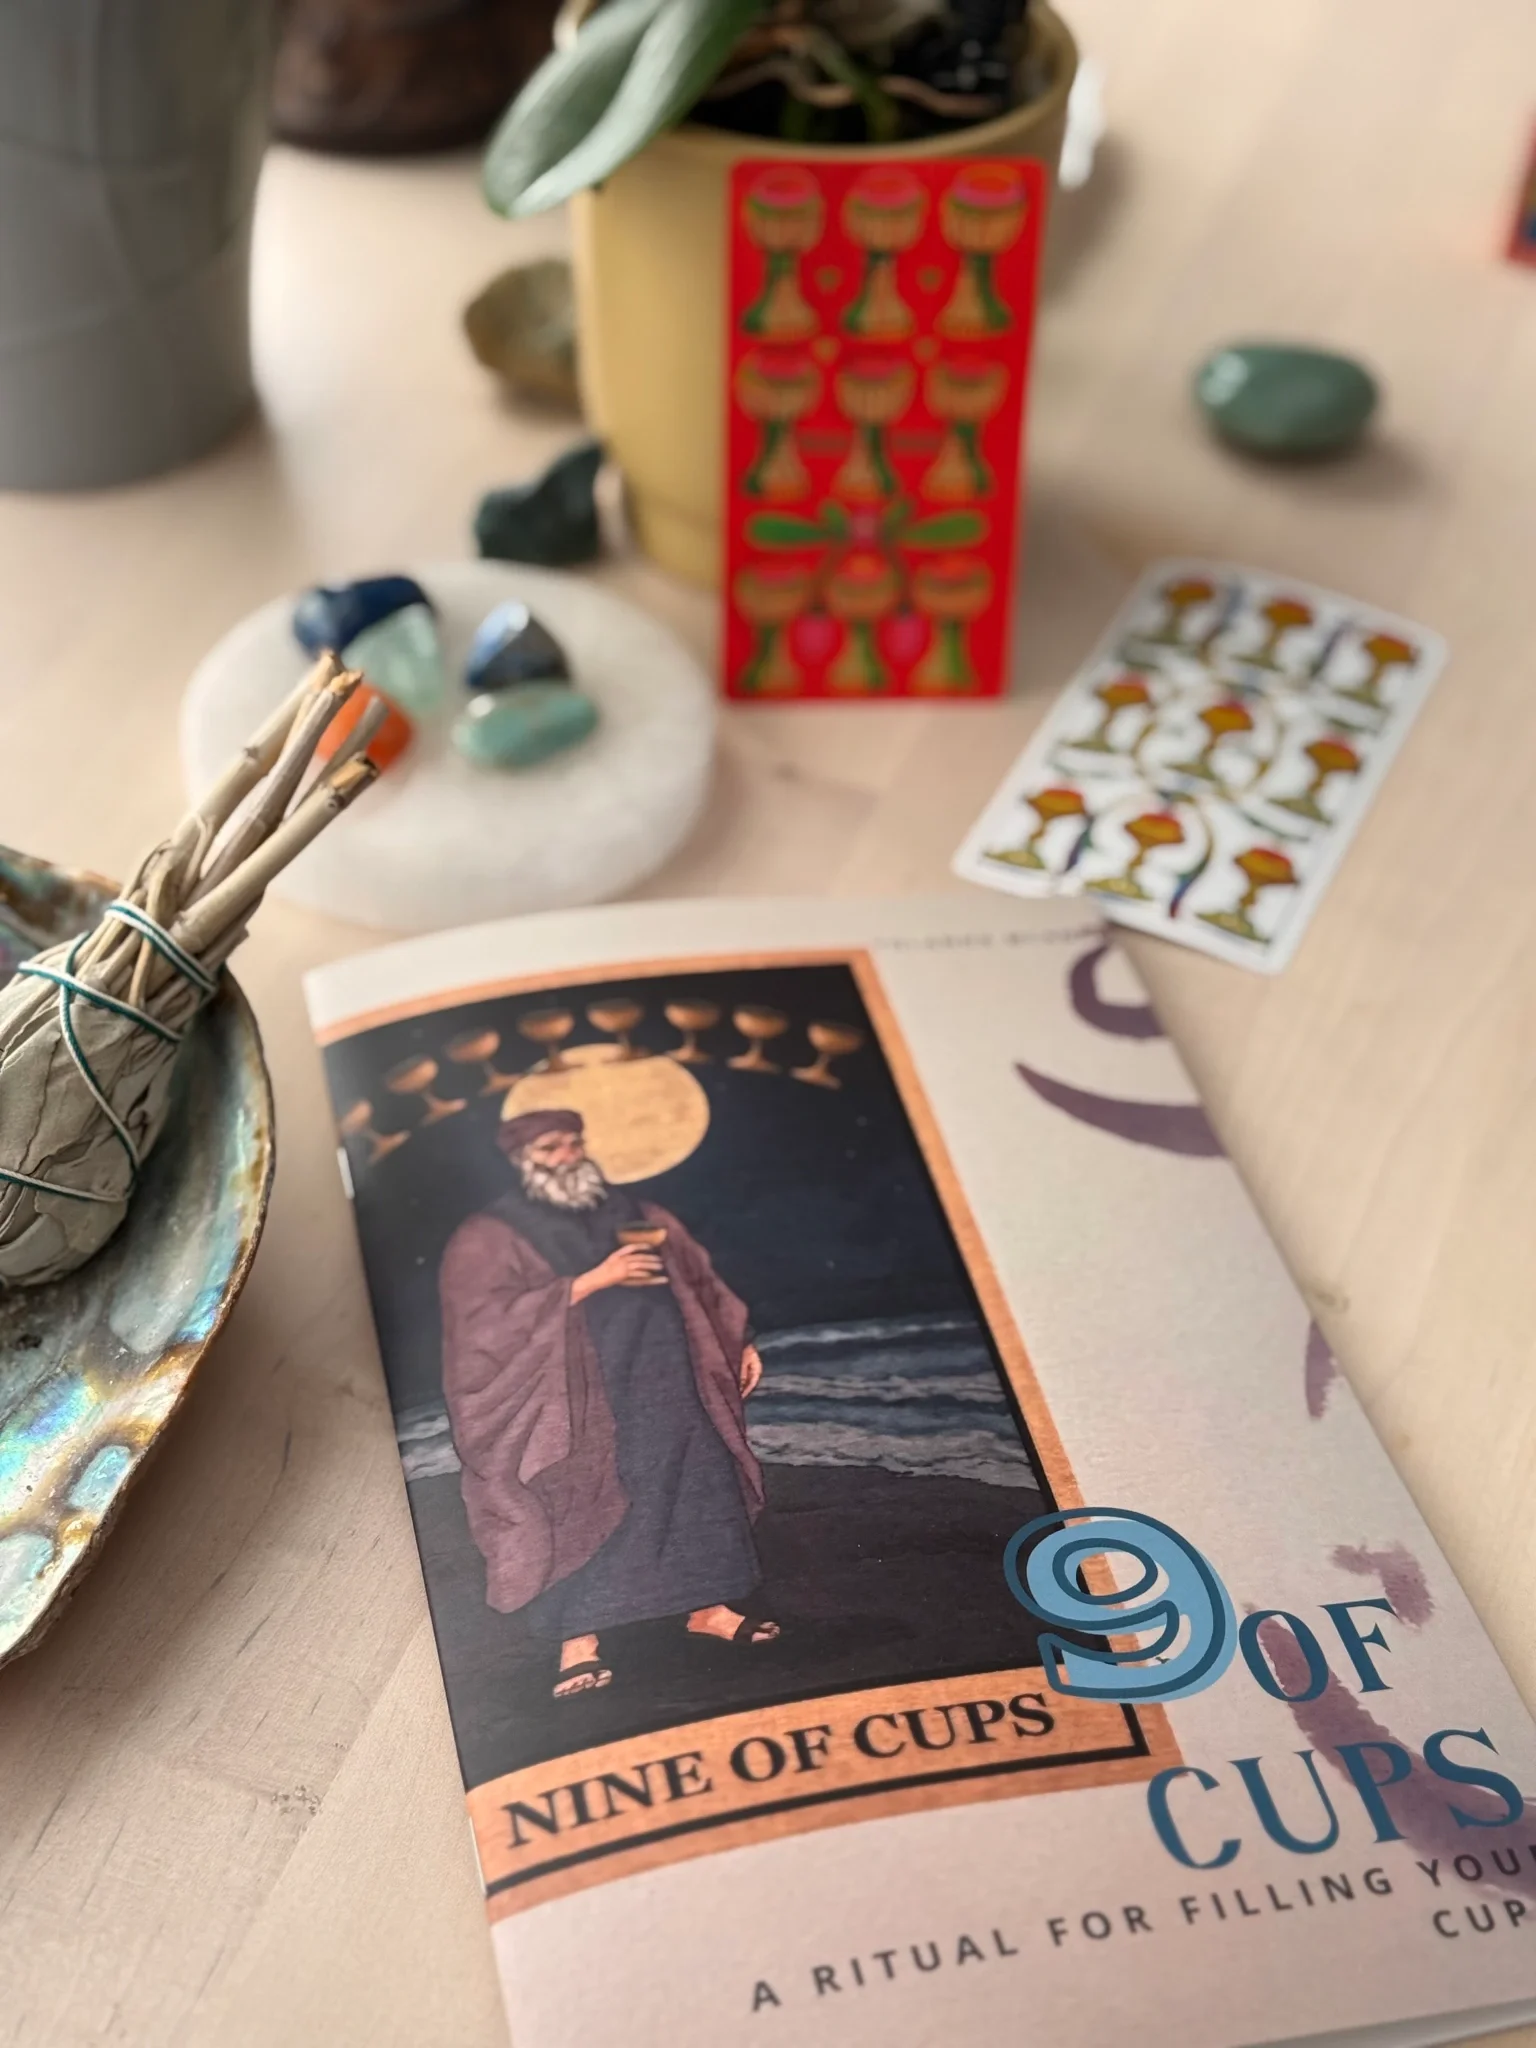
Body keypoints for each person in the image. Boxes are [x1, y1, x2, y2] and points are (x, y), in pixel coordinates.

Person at [439, 1107, 778, 1699]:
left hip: (667, 1373)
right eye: (551, 1148)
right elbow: (480, 1326)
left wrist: (741, 1340)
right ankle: (579, 1642)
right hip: (574, 1395)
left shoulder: (636, 1211)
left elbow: (700, 1279)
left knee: (695, 1480)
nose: (568, 1156)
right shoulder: (491, 1234)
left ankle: (708, 1608)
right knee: (580, 1497)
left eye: (574, 1143)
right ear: (524, 1159)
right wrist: (592, 1281)